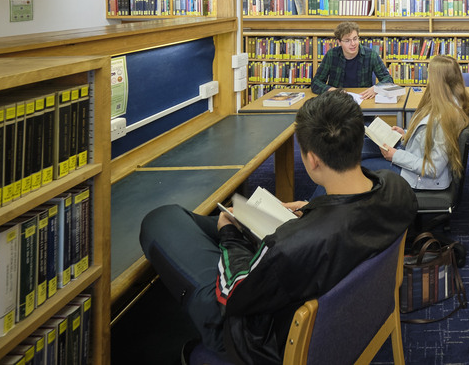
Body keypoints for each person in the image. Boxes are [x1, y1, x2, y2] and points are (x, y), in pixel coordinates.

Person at [139, 91, 417, 365]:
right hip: (342, 301)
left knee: (161, 219)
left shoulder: (289, 245)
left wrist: (229, 236)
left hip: (255, 338)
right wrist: (312, 208)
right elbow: (354, 212)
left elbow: (234, 294)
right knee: (224, 219)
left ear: (312, 160)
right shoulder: (397, 189)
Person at [364, 55, 469, 190]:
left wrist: (396, 155)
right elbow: (427, 137)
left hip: (417, 178)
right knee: (358, 146)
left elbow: (433, 168)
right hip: (412, 155)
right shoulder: (445, 102)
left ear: (438, 82)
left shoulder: (446, 118)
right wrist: (405, 134)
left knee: (359, 165)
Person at [310, 20, 393, 98]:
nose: (353, 44)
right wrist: (332, 90)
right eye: (347, 40)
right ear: (339, 42)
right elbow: (316, 82)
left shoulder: (371, 55)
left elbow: (388, 80)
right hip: (337, 102)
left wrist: (376, 88)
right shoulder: (331, 55)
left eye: (355, 39)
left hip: (362, 99)